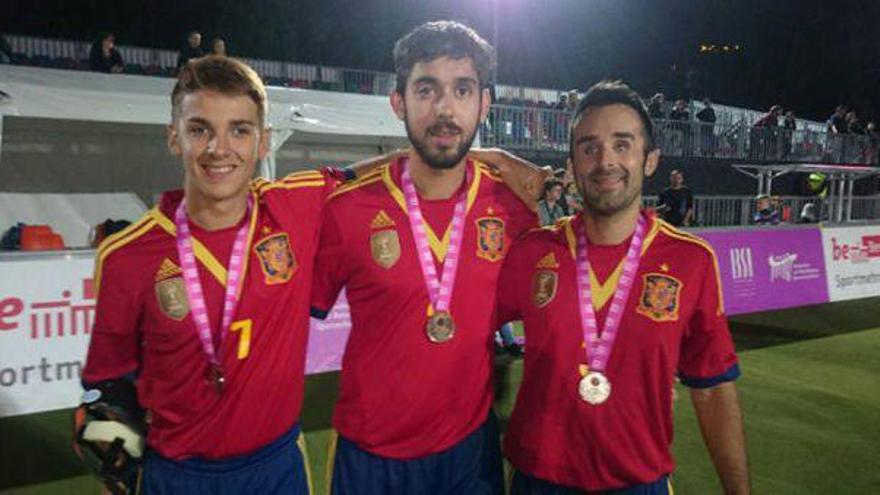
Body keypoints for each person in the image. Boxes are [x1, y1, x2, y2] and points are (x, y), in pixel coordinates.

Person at [74, 55, 390, 495]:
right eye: (200, 129)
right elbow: (105, 380)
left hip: (275, 469)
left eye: (239, 130)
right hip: (177, 476)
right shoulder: (126, 256)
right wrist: (107, 427)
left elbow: (390, 170)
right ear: (174, 138)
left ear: (263, 142)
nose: (219, 148)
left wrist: (491, 159)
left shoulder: (296, 206)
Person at [310, 21, 540, 495]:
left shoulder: (514, 211)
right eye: (426, 89)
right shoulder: (347, 210)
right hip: (370, 459)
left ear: (484, 104)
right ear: (399, 102)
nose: (444, 108)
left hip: (469, 455)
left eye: (462, 89)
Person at [498, 80, 749, 494]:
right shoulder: (532, 252)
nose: (605, 161)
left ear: (650, 160)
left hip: (638, 483)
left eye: (622, 144)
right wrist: (499, 159)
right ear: (572, 164)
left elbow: (714, 387)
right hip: (539, 480)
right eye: (589, 147)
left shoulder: (692, 260)